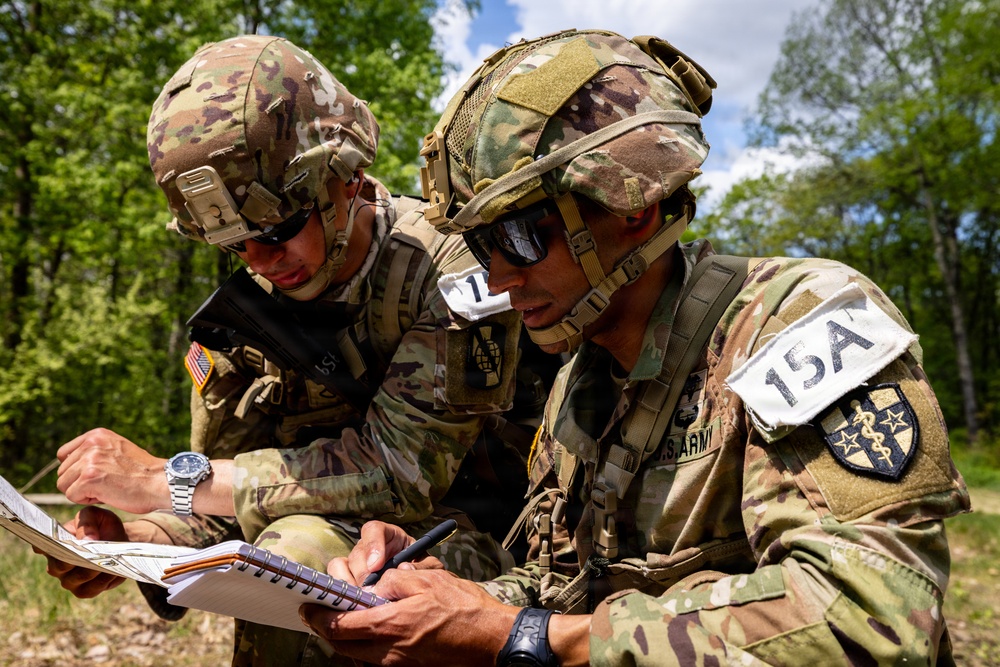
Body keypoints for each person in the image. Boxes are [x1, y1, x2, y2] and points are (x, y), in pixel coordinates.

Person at [300, 29, 972, 665]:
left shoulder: (790, 323)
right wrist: (434, 585)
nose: (499, 278)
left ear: (631, 209)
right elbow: (556, 582)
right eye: (480, 245)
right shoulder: (579, 380)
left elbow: (870, 616)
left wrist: (524, 636)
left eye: (521, 237)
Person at [40, 34, 546, 666]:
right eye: (234, 244)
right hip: (343, 541)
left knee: (299, 549)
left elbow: (400, 473)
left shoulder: (448, 273)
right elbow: (225, 501)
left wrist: (157, 480)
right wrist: (141, 539)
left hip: (491, 558)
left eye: (278, 230)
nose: (260, 261)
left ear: (347, 176)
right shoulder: (243, 321)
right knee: (289, 546)